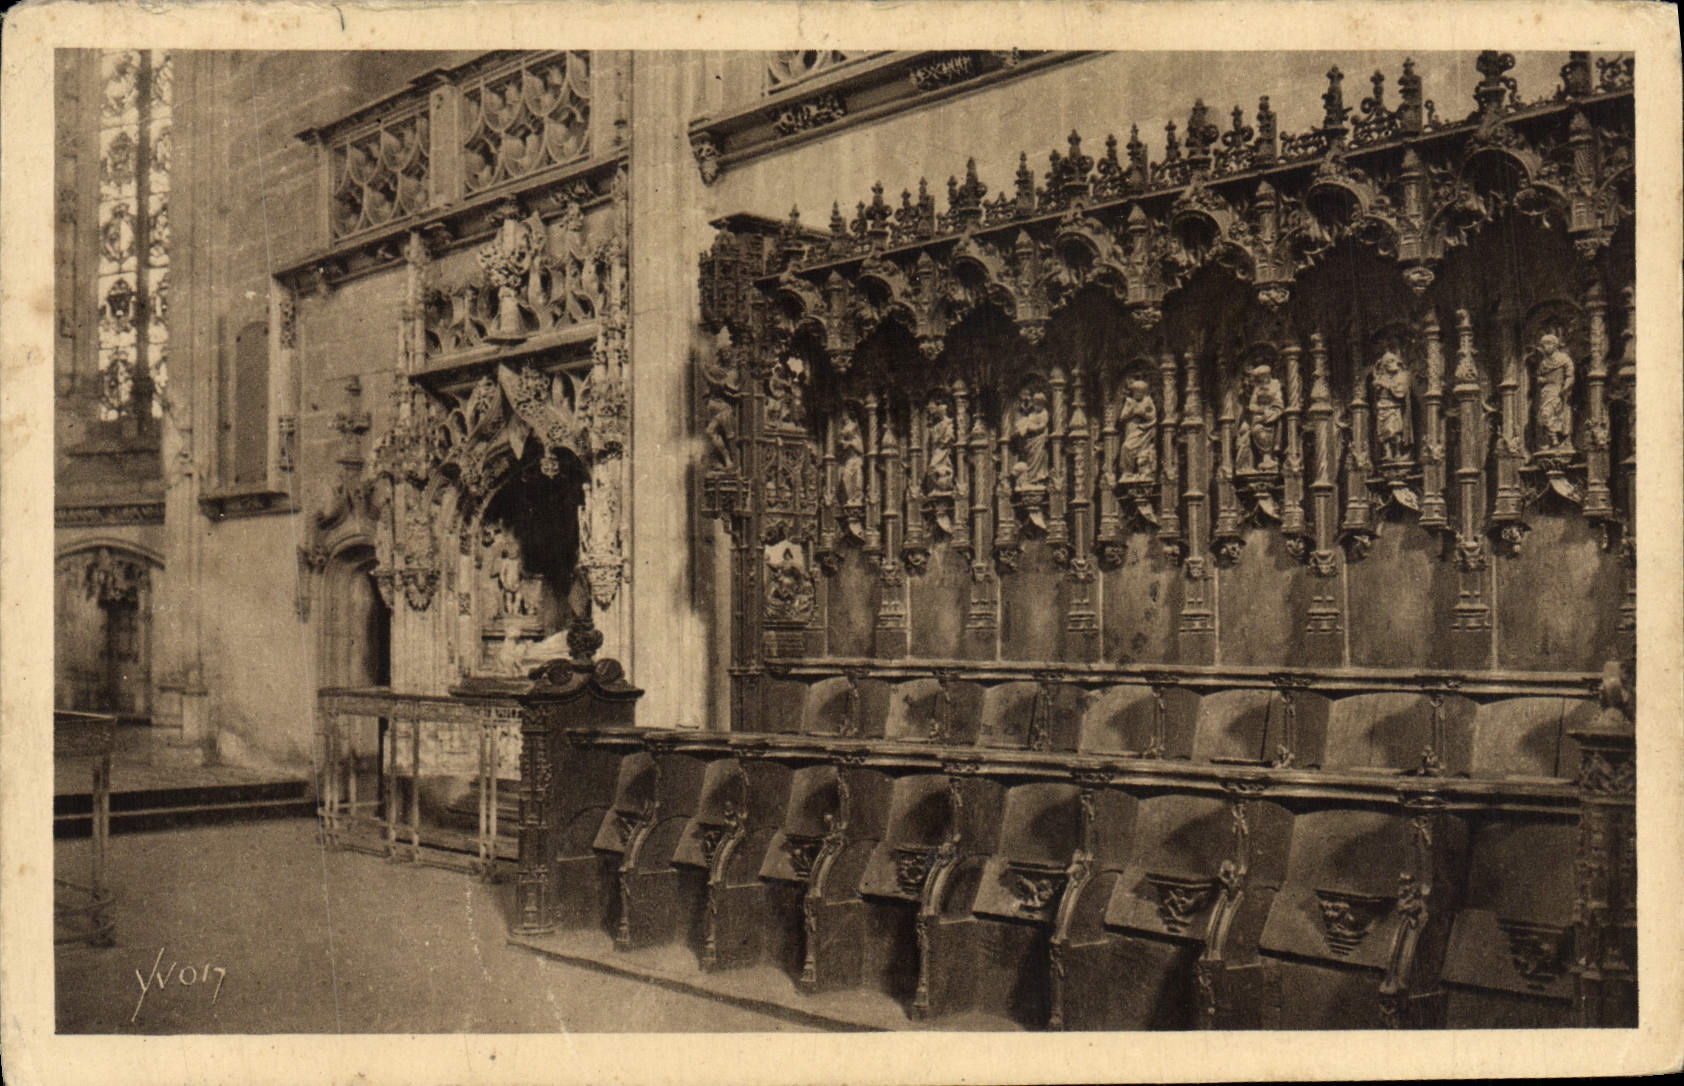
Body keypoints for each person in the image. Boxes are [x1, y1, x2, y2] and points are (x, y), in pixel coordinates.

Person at [1238, 364, 1283, 473]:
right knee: (1257, 429)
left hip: (1273, 414)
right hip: (1259, 416)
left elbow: (1279, 403)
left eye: (1262, 377)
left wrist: (1271, 412)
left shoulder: (1276, 385)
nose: (1261, 380)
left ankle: (1268, 457)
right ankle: (1264, 458)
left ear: (1267, 375)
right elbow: (1252, 405)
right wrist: (1261, 411)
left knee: (1269, 428)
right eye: (1259, 378)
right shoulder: (1257, 388)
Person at [1534, 333, 1575, 450]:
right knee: (1544, 415)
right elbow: (1538, 376)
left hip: (1559, 391)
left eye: (1548, 344)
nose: (1545, 347)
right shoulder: (1543, 362)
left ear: (1555, 344)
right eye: (1543, 345)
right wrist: (1542, 379)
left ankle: (1557, 441)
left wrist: (1565, 388)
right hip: (1546, 392)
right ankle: (1553, 441)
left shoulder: (1564, 359)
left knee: (1551, 414)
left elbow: (1570, 375)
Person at [1372, 349, 1414, 463]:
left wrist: (1386, 386)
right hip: (1382, 407)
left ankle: (1398, 453)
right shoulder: (1381, 377)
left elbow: (1400, 392)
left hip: (1393, 407)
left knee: (1394, 431)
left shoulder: (1400, 376)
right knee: (1382, 433)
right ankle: (1387, 453)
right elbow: (1376, 394)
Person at [1117, 378, 1158, 481]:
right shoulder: (1129, 402)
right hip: (1131, 428)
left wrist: (1143, 413)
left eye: (1138, 392)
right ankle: (1128, 472)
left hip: (1144, 430)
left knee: (1142, 452)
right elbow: (1122, 417)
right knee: (1126, 447)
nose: (1136, 394)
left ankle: (1144, 471)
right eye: (1134, 392)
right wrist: (1132, 411)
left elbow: (1153, 416)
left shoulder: (1148, 401)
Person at [1011, 387, 1050, 492]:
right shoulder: (1032, 414)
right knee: (1029, 459)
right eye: (1035, 404)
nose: (1037, 406)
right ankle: (1030, 479)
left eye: (1039, 404)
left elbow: (1042, 426)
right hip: (1030, 442)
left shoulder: (1044, 413)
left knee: (1038, 459)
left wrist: (1030, 428)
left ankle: (1036, 479)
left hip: (1039, 441)